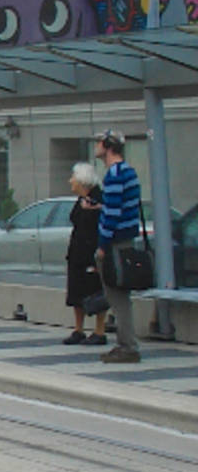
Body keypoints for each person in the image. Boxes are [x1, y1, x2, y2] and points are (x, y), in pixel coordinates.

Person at [93, 129, 142, 363]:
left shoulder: (114, 175)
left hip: (114, 243)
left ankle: (127, 346)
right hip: (127, 240)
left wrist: (102, 245)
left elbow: (112, 214)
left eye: (99, 142)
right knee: (122, 296)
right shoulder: (129, 172)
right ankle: (126, 344)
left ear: (108, 146)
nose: (96, 146)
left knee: (117, 297)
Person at [63, 162, 107, 346]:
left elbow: (100, 225)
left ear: (82, 180)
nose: (70, 181)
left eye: (73, 177)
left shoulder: (97, 198)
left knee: (95, 290)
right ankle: (78, 329)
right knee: (76, 290)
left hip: (91, 251)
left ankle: (99, 331)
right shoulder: (81, 199)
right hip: (77, 253)